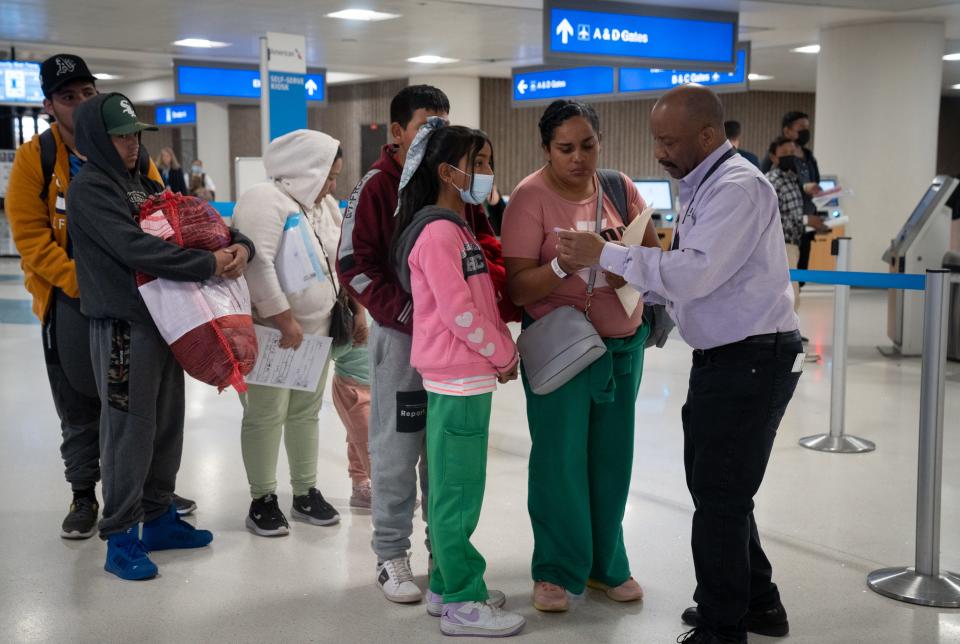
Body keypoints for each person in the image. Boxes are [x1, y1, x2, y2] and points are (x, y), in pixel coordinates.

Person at [557, 85, 802, 644]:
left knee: (719, 496)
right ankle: (759, 603)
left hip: (751, 360)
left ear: (708, 135)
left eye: (669, 141)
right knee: (722, 488)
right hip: (728, 359)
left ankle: (724, 627)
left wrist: (607, 254)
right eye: (656, 139)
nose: (660, 151)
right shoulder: (705, 184)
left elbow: (693, 273)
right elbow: (693, 277)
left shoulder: (737, 188)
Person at [5, 54, 196, 541]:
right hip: (68, 299)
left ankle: (148, 496)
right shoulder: (37, 159)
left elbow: (160, 215)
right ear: (49, 105)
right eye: (68, 98)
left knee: (139, 403)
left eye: (87, 93)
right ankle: (84, 493)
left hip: (132, 296)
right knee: (80, 402)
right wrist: (85, 281)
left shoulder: (132, 156)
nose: (80, 104)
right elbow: (31, 240)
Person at [337, 85, 514, 604]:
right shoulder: (376, 187)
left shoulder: (457, 195)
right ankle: (391, 553)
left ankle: (446, 555)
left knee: (444, 458)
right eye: (425, 126)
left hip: (454, 352)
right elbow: (353, 265)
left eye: (444, 124)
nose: (436, 135)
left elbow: (483, 252)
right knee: (396, 449)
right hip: (403, 342)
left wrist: (498, 303)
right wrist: (412, 311)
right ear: (397, 133)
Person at [67, 93, 254, 580]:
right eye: (122, 136)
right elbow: (135, 247)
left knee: (168, 424)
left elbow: (186, 220)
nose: (132, 144)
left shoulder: (137, 181)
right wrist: (206, 263)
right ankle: (121, 534)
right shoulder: (91, 189)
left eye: (135, 135)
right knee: (129, 430)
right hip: (123, 329)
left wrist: (237, 245)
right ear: (97, 139)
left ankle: (159, 517)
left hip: (167, 320)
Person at [501, 99, 658, 613]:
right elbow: (520, 290)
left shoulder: (618, 188)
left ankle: (604, 564)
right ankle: (555, 568)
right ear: (546, 149)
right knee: (559, 461)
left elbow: (653, 256)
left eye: (587, 145)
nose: (578, 158)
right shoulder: (529, 199)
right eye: (565, 148)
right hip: (563, 350)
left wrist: (624, 266)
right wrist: (563, 267)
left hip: (622, 346)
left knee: (612, 460)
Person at [392, 120, 523, 638]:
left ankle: (446, 582)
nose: (489, 173)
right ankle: (465, 603)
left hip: (461, 377)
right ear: (449, 172)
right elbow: (460, 313)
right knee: (459, 494)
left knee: (451, 486)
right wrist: (503, 353)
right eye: (482, 162)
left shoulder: (455, 226)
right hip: (461, 378)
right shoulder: (439, 232)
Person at [232, 129, 354, 535]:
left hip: (316, 333)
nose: (333, 185)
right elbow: (257, 263)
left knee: (305, 413)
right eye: (329, 175)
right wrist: (283, 319)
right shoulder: (264, 200)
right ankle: (262, 498)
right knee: (265, 415)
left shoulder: (323, 206)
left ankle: (305, 491)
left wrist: (356, 312)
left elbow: (339, 259)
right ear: (307, 170)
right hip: (273, 334)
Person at [765, 136, 805, 312]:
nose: (791, 156)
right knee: (789, 293)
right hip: (781, 244)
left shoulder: (792, 178)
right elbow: (769, 215)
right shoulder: (772, 180)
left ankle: (791, 330)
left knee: (794, 291)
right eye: (785, 153)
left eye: (793, 152)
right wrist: (806, 220)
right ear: (774, 157)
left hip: (794, 244)